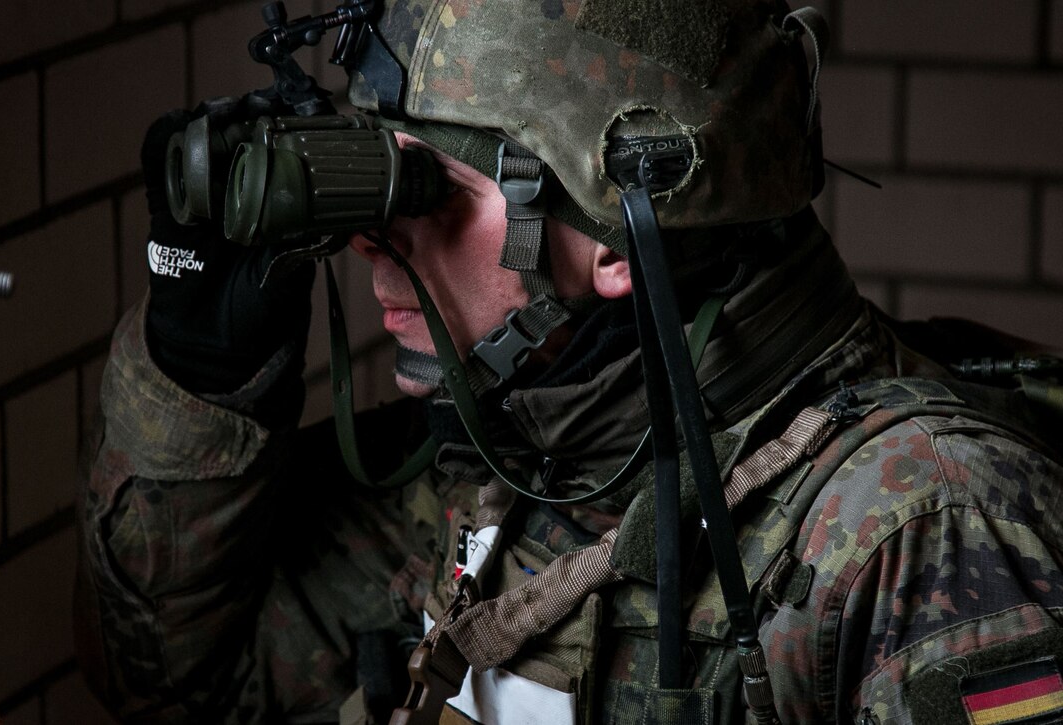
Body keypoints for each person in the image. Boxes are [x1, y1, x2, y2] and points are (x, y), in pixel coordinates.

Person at [75, 1, 1063, 723]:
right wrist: (201, 371)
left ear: (615, 237)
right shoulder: (512, 458)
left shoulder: (919, 526)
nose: (373, 239)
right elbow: (171, 683)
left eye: (428, 187)